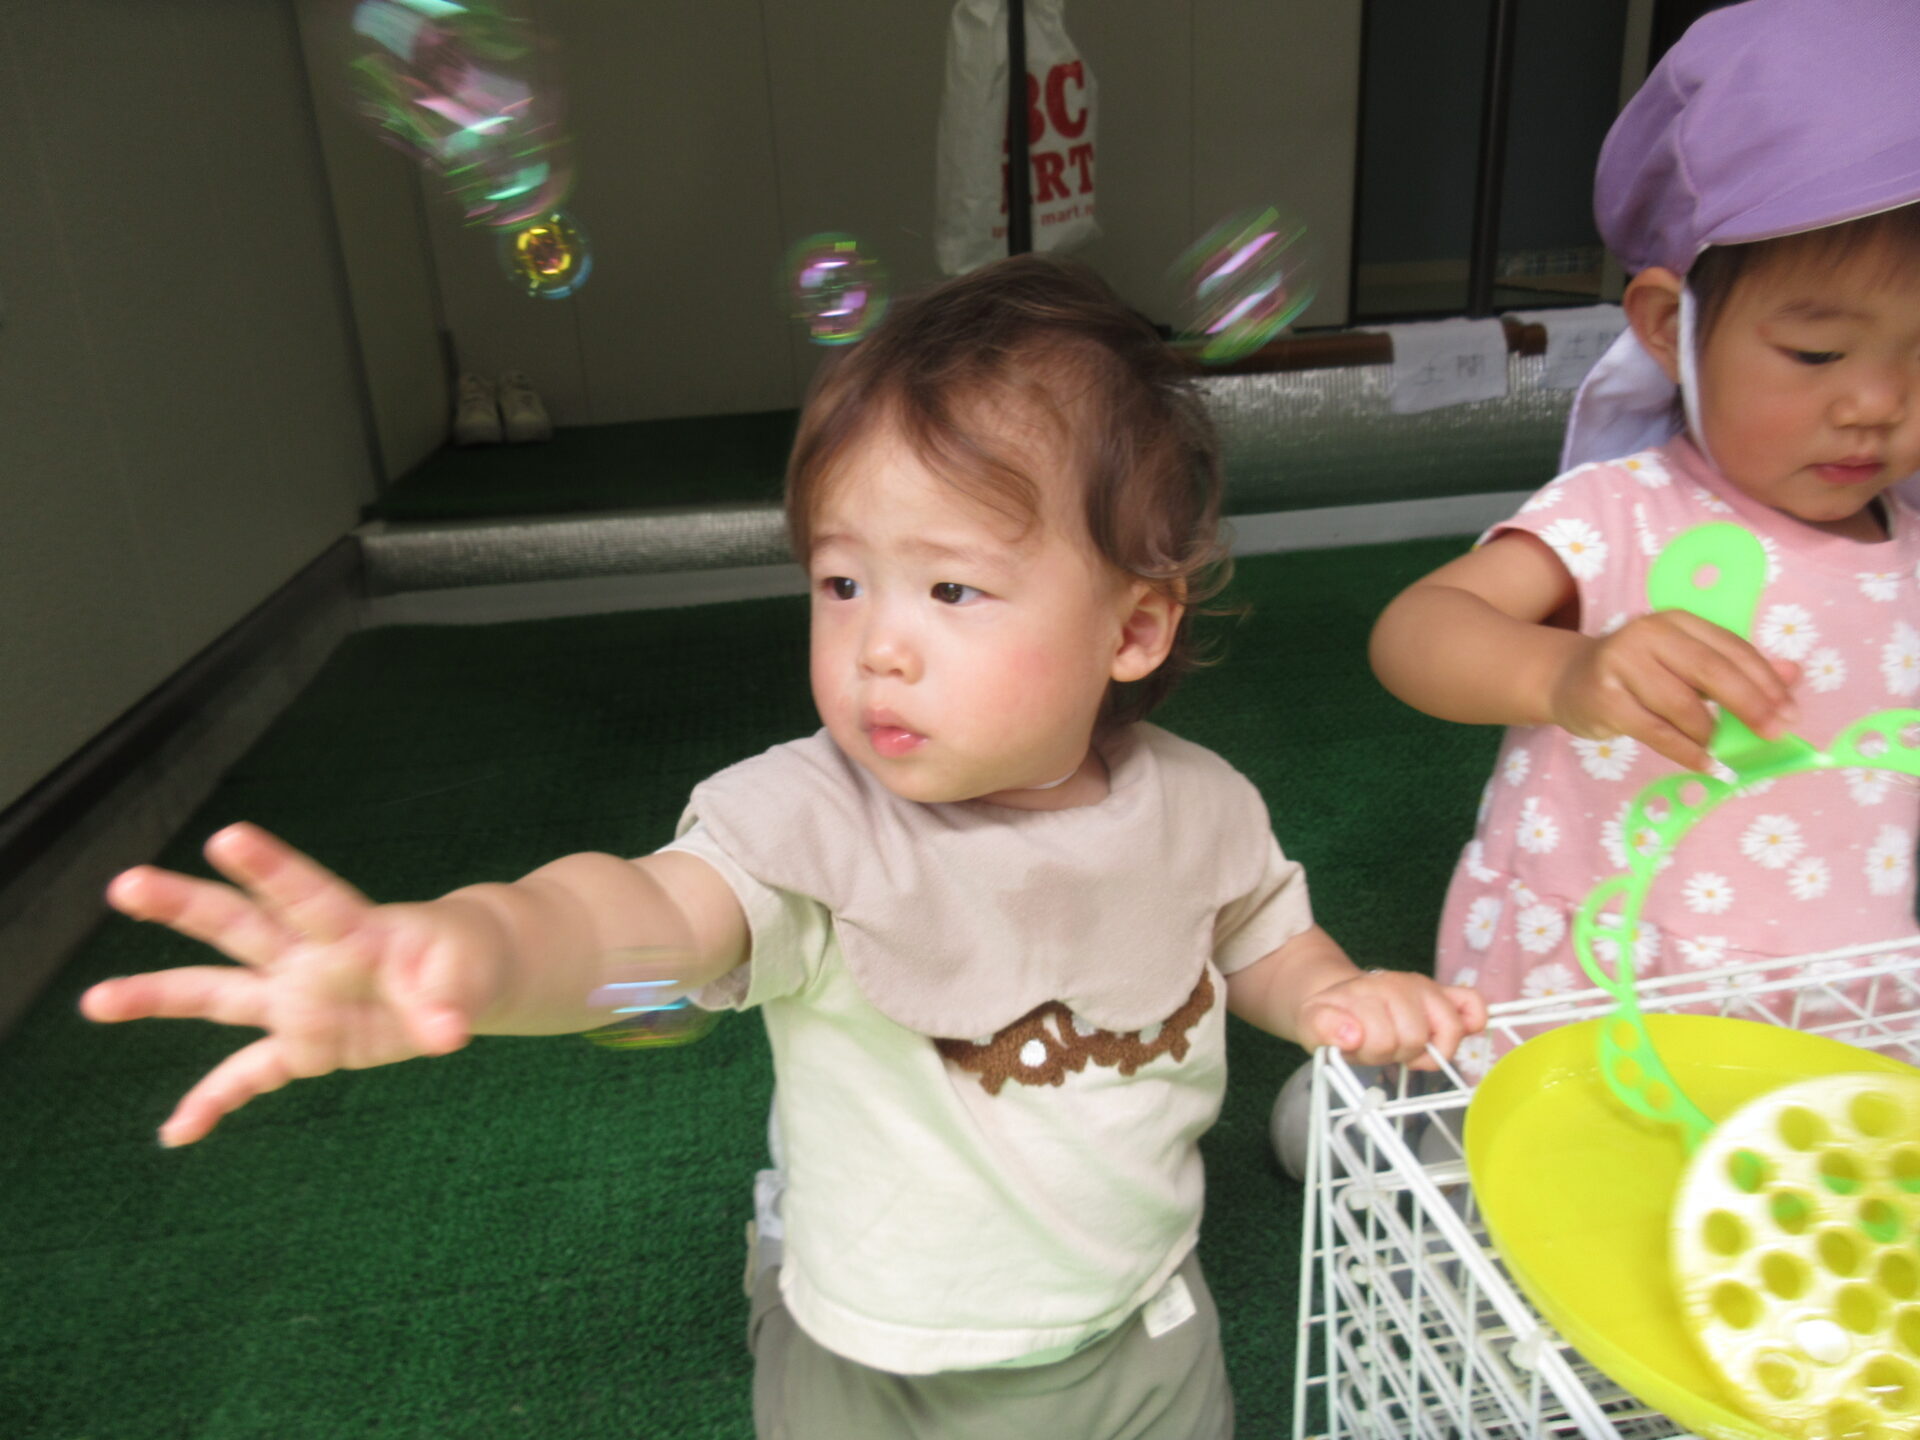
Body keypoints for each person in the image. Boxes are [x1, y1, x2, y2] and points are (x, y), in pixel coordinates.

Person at [80, 255, 1485, 1440]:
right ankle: (780, 1241)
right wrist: (475, 949)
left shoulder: (1204, 807)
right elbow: (637, 922)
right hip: (870, 1359)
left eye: (952, 588)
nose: (879, 643)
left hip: (1138, 1328)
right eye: (842, 580)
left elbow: (1256, 933)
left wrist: (1330, 994)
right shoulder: (810, 822)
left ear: (1134, 627)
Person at [1369, 0, 1920, 1082]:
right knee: (1556, 1164)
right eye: (1816, 354)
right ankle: (1407, 1094)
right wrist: (1565, 672)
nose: (1877, 403)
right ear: (1671, 329)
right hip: (1602, 975)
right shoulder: (1623, 510)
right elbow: (1417, 631)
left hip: (1837, 992)